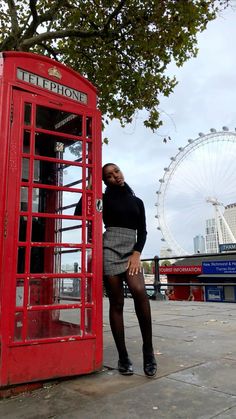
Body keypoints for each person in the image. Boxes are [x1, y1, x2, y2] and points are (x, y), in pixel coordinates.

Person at [102, 163, 157, 377]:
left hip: (131, 249)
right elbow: (81, 213)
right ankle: (123, 356)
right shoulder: (103, 200)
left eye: (116, 171)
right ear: (105, 181)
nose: (116, 176)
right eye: (109, 175)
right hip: (109, 248)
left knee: (140, 291)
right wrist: (89, 186)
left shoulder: (137, 201)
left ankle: (148, 351)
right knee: (116, 302)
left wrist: (137, 253)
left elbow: (142, 231)